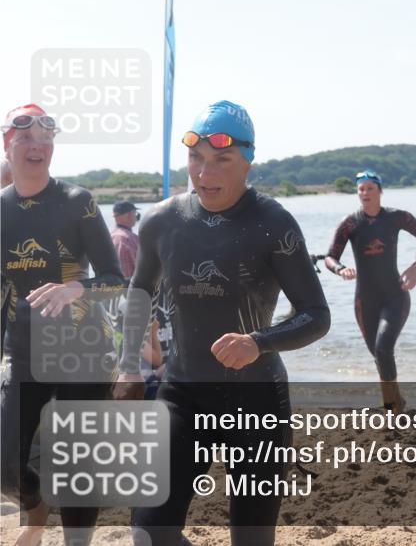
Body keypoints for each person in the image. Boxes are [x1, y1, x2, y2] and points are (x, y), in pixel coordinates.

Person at [115, 100, 331, 546]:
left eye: (221, 160)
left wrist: (258, 341)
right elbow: (139, 292)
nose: (203, 172)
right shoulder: (161, 221)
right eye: (196, 158)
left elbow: (316, 314)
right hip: (182, 393)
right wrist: (127, 366)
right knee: (148, 532)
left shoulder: (272, 223)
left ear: (247, 162)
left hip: (257, 401)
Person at [0, 104, 125, 546]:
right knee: (5, 464)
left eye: (45, 138)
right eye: (26, 138)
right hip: (26, 350)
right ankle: (35, 511)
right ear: (7, 145)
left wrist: (77, 289)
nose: (37, 146)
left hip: (84, 348)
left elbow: (115, 280)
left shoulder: (78, 202)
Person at [324, 169, 416, 412]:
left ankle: (391, 408)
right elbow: (330, 257)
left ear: (380, 191)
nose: (365, 193)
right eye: (361, 189)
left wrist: (415, 267)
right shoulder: (350, 223)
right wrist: (341, 269)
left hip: (395, 295)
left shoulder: (397, 218)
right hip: (365, 300)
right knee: (378, 354)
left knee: (383, 348)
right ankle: (397, 401)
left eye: (370, 188)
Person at [110, 201, 140, 280]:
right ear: (130, 214)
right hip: (131, 288)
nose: (136, 217)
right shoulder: (129, 238)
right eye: (135, 213)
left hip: (113, 288)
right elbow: (141, 269)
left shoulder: (109, 237)